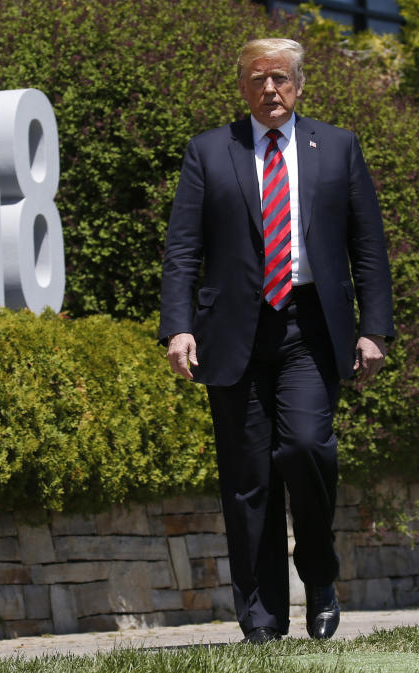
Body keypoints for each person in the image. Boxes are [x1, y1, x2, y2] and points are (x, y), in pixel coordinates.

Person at [158, 38, 394, 644]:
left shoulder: (337, 147)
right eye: (259, 79)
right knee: (248, 479)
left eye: (282, 78)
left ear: (299, 84)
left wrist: (374, 328)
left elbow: (368, 245)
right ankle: (261, 621)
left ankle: (319, 576)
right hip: (233, 333)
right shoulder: (210, 150)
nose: (271, 89)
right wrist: (178, 326)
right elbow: (184, 249)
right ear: (243, 87)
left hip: (309, 326)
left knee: (307, 448)